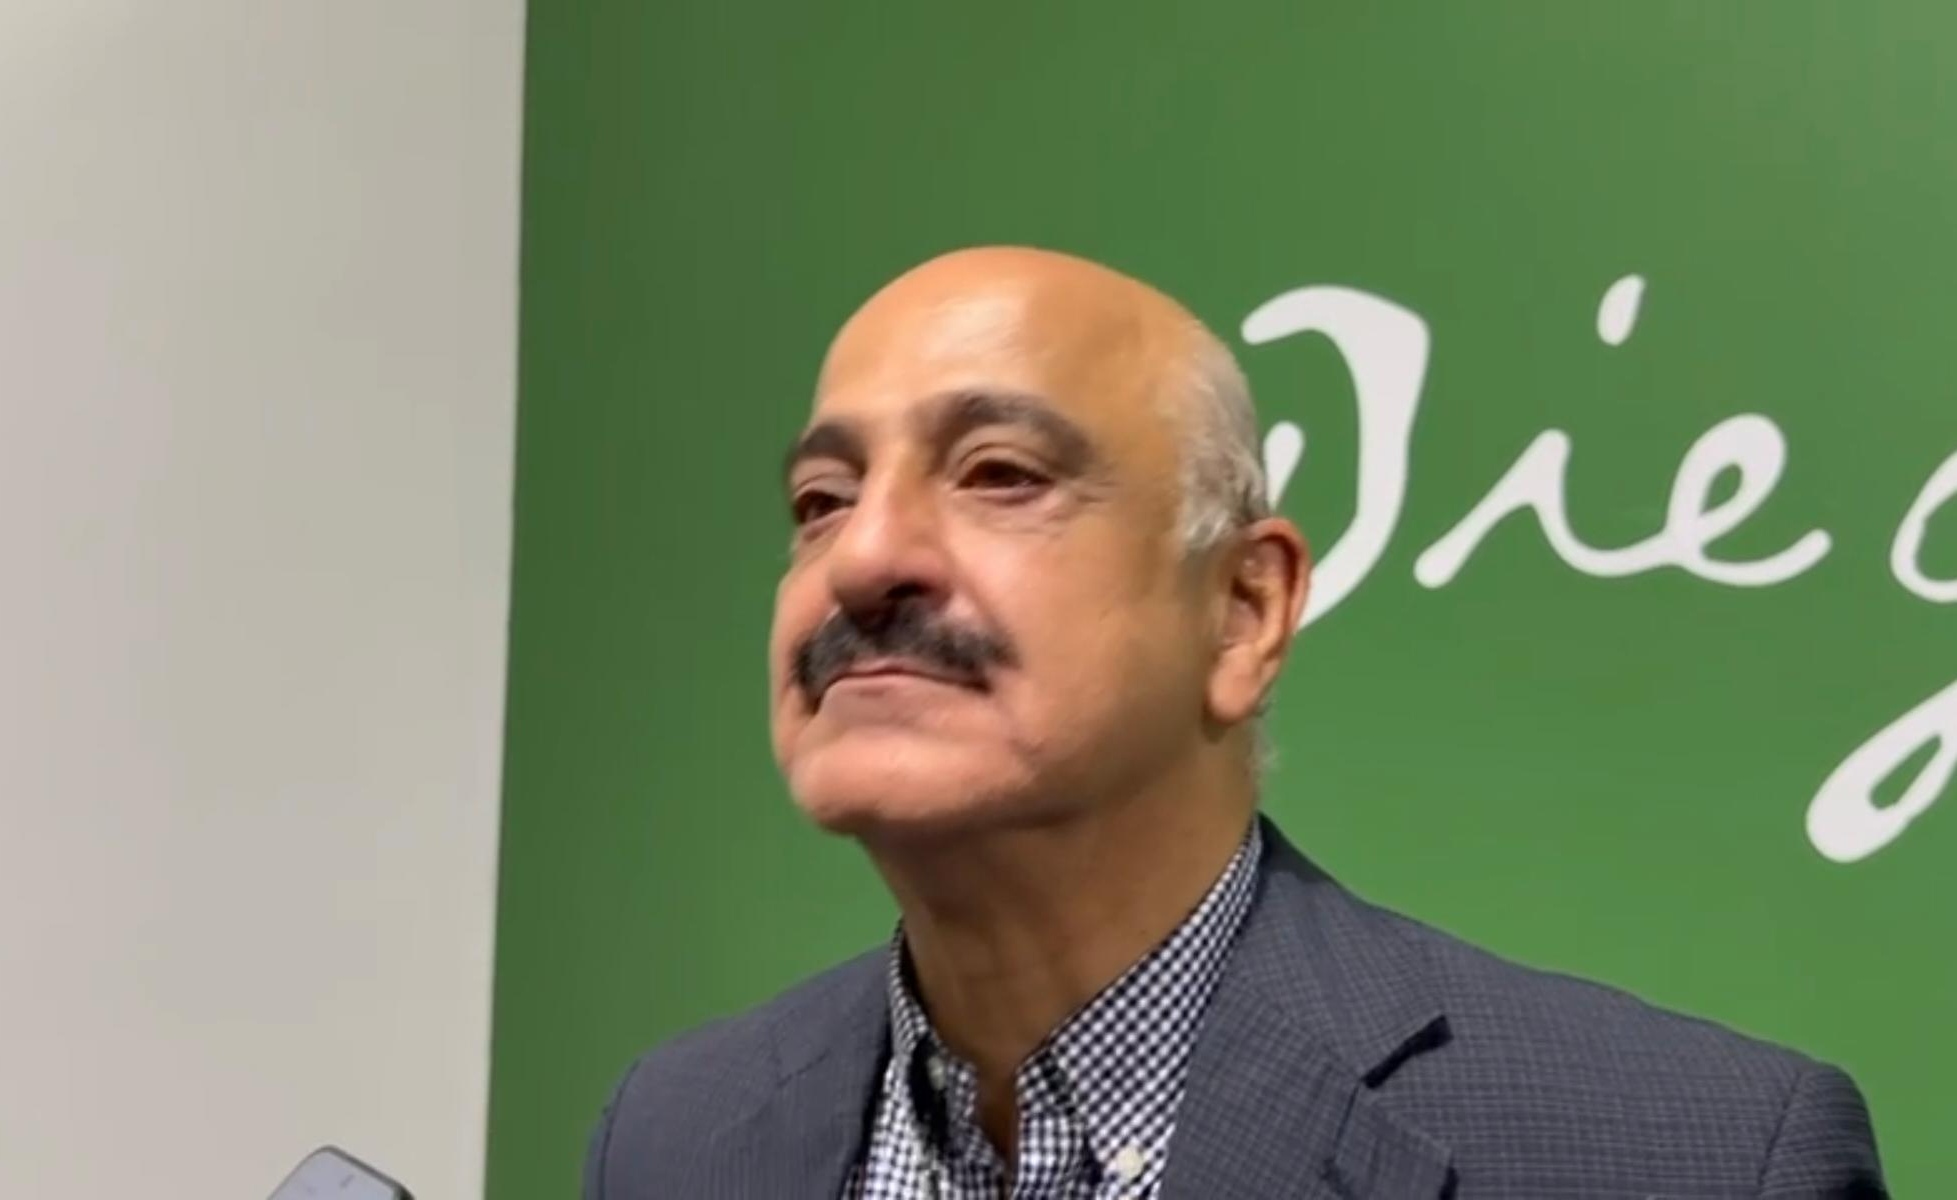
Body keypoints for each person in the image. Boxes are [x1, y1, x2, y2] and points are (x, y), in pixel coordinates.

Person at [582, 247, 1885, 1198]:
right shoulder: (678, 1137)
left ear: (1242, 610)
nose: (863, 559)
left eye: (998, 474)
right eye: (821, 499)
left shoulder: (1696, 1160)